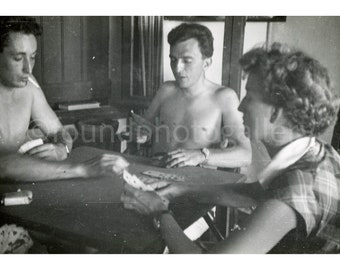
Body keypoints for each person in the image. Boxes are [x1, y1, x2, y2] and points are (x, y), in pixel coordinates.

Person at [120, 42, 340, 253]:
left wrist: (159, 212)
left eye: (250, 96)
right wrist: (180, 189)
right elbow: (254, 192)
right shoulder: (317, 153)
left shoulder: (294, 190)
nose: (241, 106)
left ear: (276, 111)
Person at [0, 17, 127, 182]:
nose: (28, 69)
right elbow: (3, 166)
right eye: (18, 58)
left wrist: (62, 148)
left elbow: (59, 132)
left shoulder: (29, 86)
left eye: (32, 57)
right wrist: (82, 169)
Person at [132, 23, 251, 169]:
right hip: (157, 171)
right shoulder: (166, 89)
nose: (177, 68)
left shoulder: (224, 97)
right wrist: (142, 134)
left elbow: (245, 155)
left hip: (195, 183)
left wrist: (202, 155)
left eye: (187, 61)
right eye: (173, 60)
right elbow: (144, 129)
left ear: (206, 63)